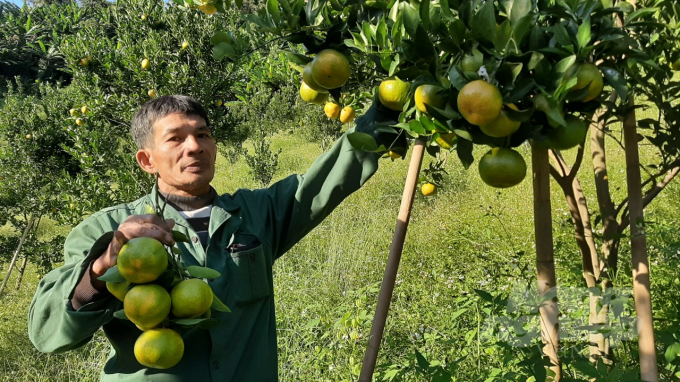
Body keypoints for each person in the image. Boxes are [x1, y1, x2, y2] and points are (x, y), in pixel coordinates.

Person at [28, 94, 405, 381]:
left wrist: (387, 108)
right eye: (175, 138)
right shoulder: (107, 230)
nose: (194, 146)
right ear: (147, 160)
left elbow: (332, 175)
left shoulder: (257, 213)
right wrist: (105, 263)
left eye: (202, 134)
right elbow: (47, 334)